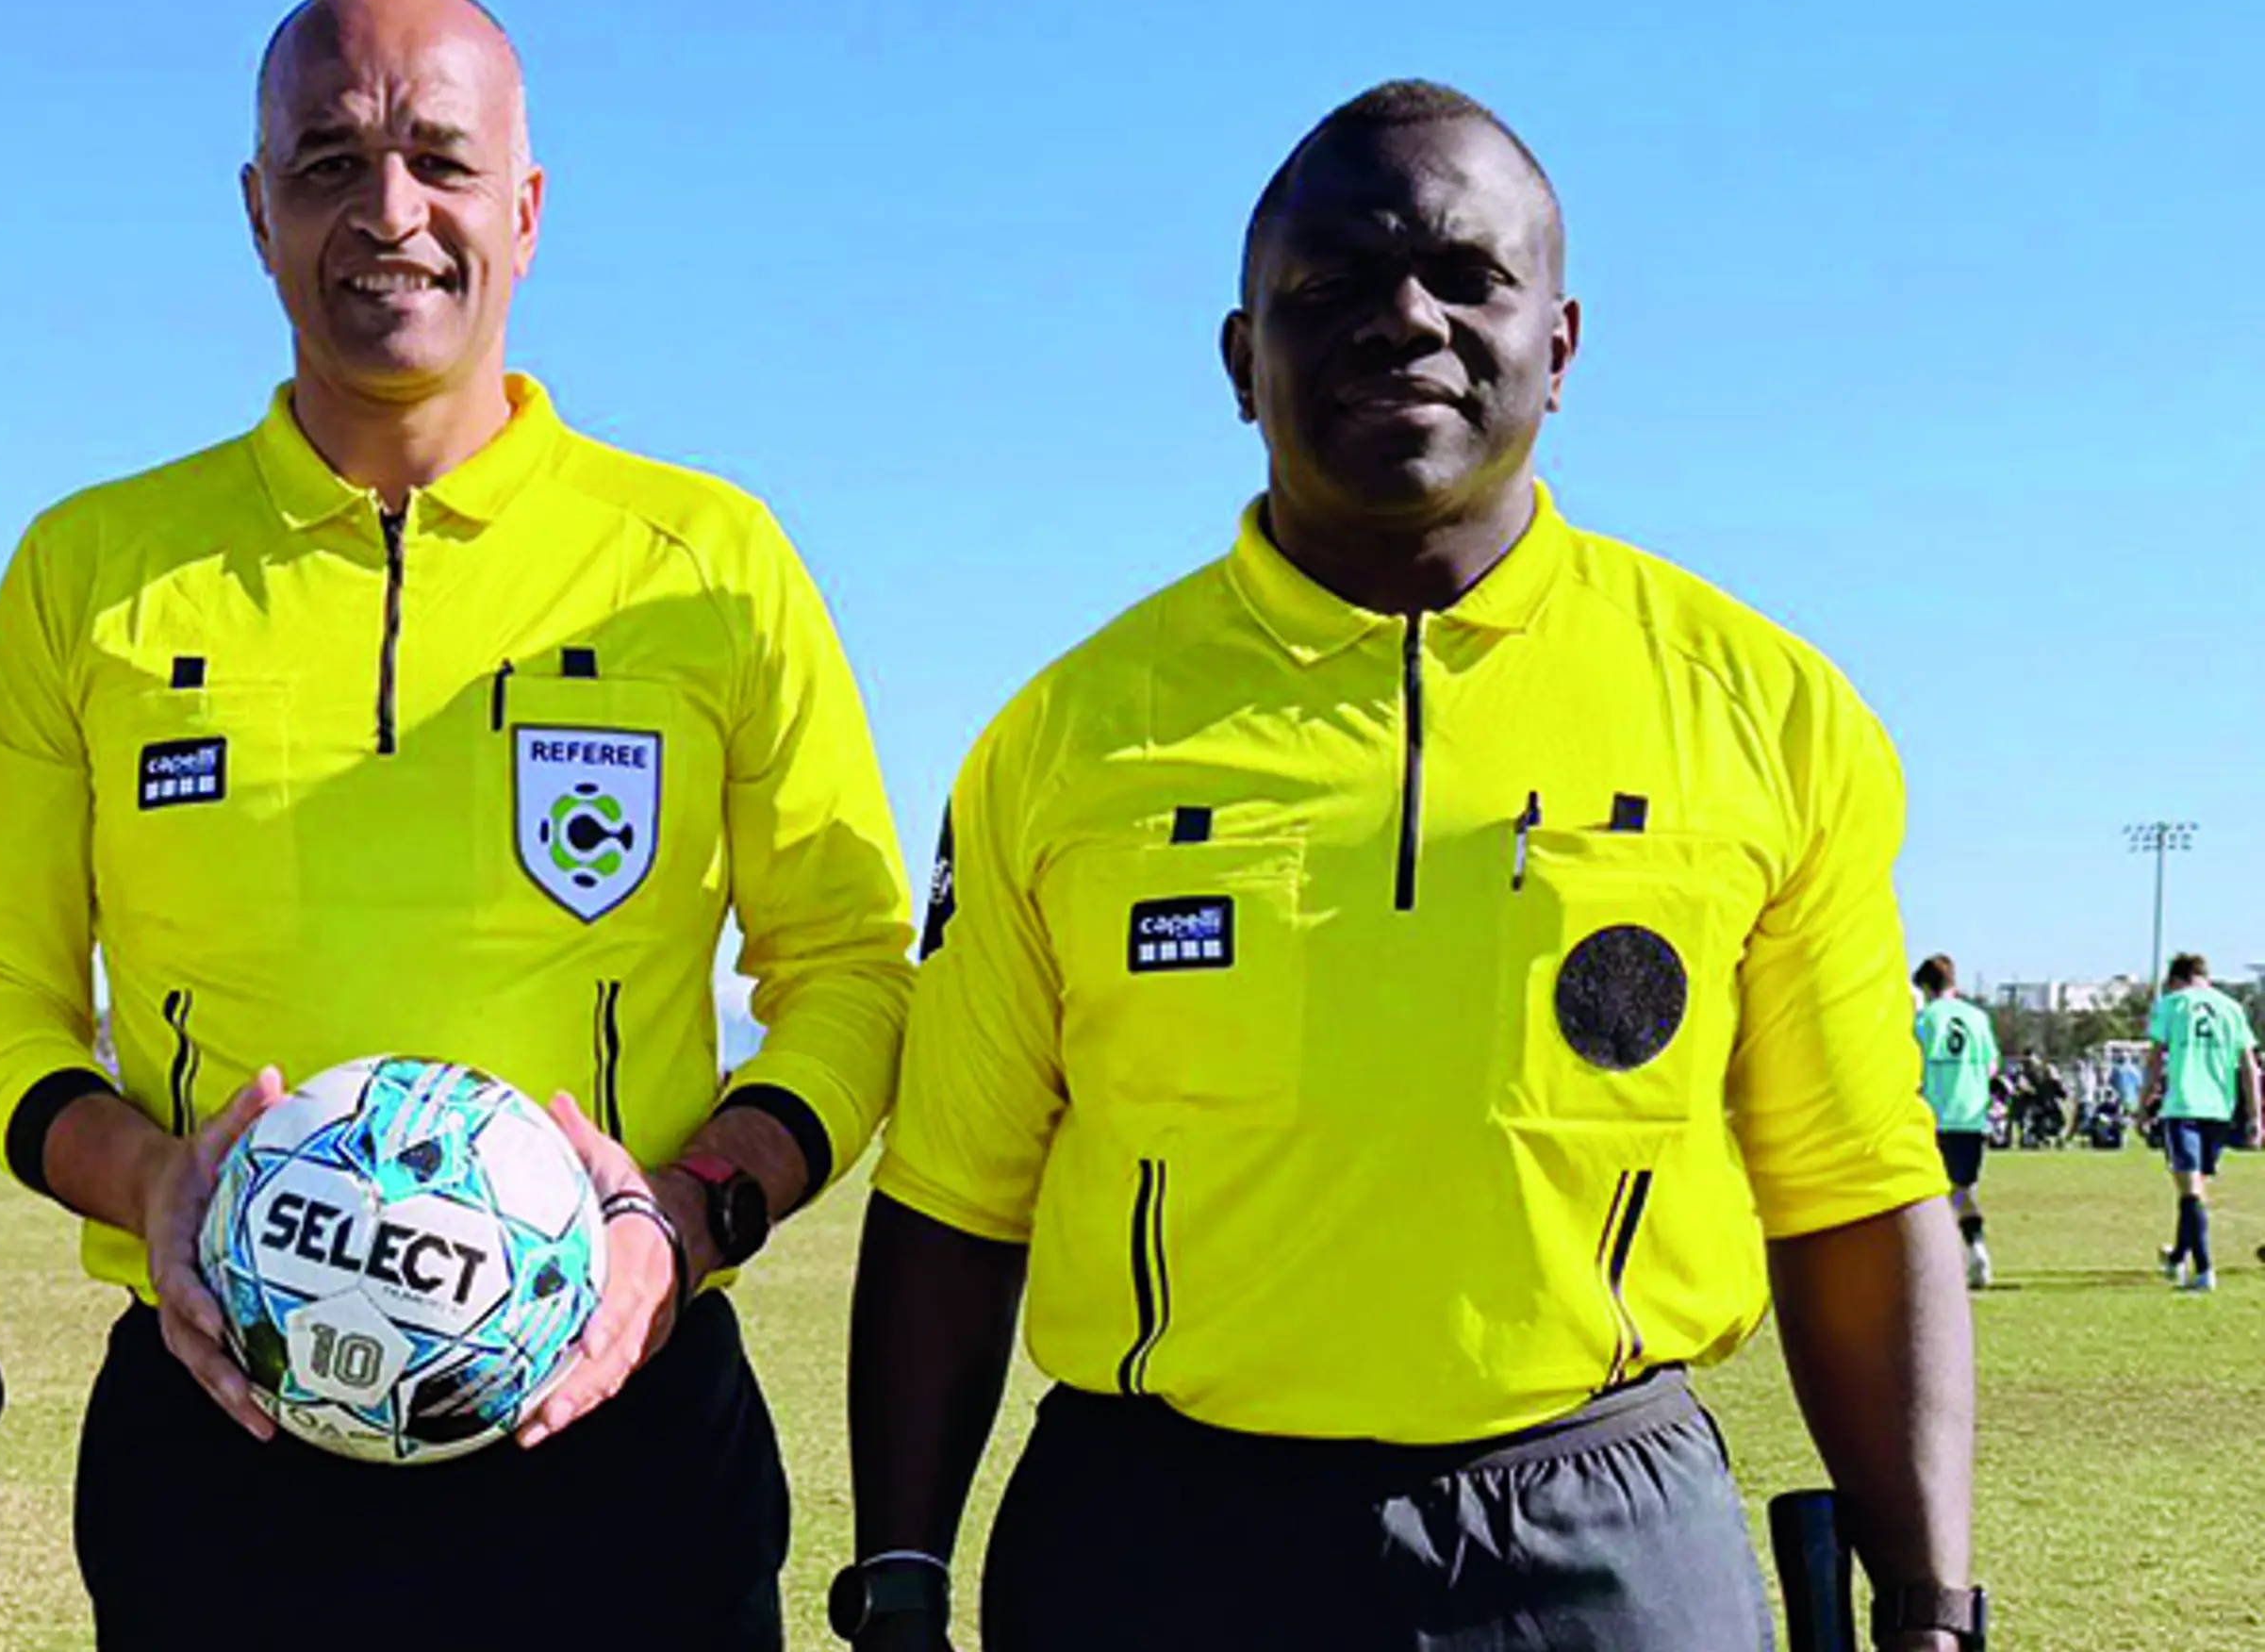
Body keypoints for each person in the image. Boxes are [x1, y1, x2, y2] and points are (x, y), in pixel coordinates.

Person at [841, 82, 1981, 1652]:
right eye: (1330, 290)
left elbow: (1853, 1185)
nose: (1403, 323)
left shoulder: (1767, 713)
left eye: (1465, 276)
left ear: (1561, 347)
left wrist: (1929, 1600)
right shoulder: (1065, 739)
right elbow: (954, 1199)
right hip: (1157, 1542)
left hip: (1601, 1532)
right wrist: (900, 1573)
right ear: (1244, 362)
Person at [0, 0, 918, 1649]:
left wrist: (689, 1220)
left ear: (525, 212)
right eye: (328, 164)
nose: (390, 213)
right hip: (223, 1441)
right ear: (257, 212)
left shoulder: (709, 565)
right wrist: (148, 1180)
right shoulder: (89, 574)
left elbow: (854, 968)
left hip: (622, 1453)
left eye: (441, 163)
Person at [2140, 952, 2258, 1291]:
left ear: (2177, 979)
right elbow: (2249, 1066)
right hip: (2220, 1109)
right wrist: (2254, 1116)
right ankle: (2178, 1257)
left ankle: (2204, 1270)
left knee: (2190, 1189)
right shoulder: (2231, 1008)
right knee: (2193, 1189)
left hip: (2182, 1107)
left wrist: (2143, 1102)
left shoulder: (2172, 1004)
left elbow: (2154, 1057)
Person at [1912, 956, 2001, 1286]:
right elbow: (1992, 1066)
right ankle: (1976, 1248)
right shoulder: (1978, 1018)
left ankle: (1935, 1264)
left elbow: (1913, 1065)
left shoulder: (1924, 1019)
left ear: (1925, 987)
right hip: (1971, 1117)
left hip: (1934, 1115)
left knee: (1927, 1192)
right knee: (1963, 1189)